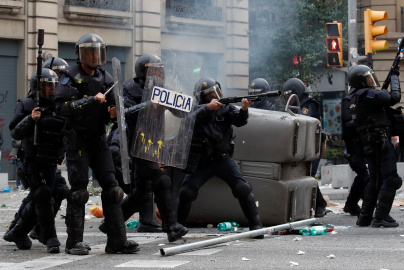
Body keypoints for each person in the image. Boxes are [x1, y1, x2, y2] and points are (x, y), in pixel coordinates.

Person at [54, 33, 139, 255]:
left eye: (96, 51)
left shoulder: (106, 78)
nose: (93, 56)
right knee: (79, 191)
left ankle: (117, 241)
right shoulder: (69, 76)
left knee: (112, 190)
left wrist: (112, 113)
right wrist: (90, 101)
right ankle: (73, 242)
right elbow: (61, 107)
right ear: (80, 54)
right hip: (77, 138)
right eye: (89, 51)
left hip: (98, 138)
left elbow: (113, 110)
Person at [101, 54, 188, 242]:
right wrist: (149, 105)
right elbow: (124, 114)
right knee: (161, 180)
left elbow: (181, 112)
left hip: (154, 144)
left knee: (140, 194)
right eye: (155, 70)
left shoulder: (162, 89)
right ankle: (171, 226)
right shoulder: (128, 88)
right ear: (144, 71)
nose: (159, 73)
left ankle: (110, 223)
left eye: (160, 70)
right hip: (137, 145)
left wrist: (187, 102)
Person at [177, 77, 264, 238]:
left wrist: (244, 109)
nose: (215, 95)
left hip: (222, 159)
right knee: (186, 193)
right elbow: (189, 121)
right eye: (210, 93)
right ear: (202, 97)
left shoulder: (226, 107)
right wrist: (207, 109)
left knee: (242, 188)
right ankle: (178, 228)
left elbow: (240, 121)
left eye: (216, 91)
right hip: (201, 162)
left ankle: (256, 226)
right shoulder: (194, 108)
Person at [3, 68, 64, 253]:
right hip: (32, 160)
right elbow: (15, 131)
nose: (52, 90)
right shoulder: (26, 104)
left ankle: (20, 231)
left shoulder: (58, 105)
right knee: (42, 195)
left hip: (51, 159)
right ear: (38, 87)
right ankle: (50, 237)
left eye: (54, 86)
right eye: (47, 86)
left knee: (57, 192)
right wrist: (31, 118)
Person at [347, 65, 403, 228]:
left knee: (375, 179)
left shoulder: (356, 97)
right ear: (361, 81)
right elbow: (394, 97)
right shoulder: (369, 94)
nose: (372, 81)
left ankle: (365, 217)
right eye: (368, 78)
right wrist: (394, 76)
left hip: (371, 143)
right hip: (381, 142)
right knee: (391, 178)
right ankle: (381, 216)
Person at [282, 78, 328, 217]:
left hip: (312, 145)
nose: (287, 98)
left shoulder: (308, 104)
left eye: (288, 94)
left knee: (309, 174)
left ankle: (320, 205)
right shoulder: (295, 104)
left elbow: (304, 120)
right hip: (302, 145)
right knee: (304, 174)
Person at [340, 85, 370, 216]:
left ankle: (352, 204)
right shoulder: (349, 101)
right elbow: (348, 122)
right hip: (354, 147)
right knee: (365, 176)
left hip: (362, 146)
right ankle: (352, 204)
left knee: (364, 177)